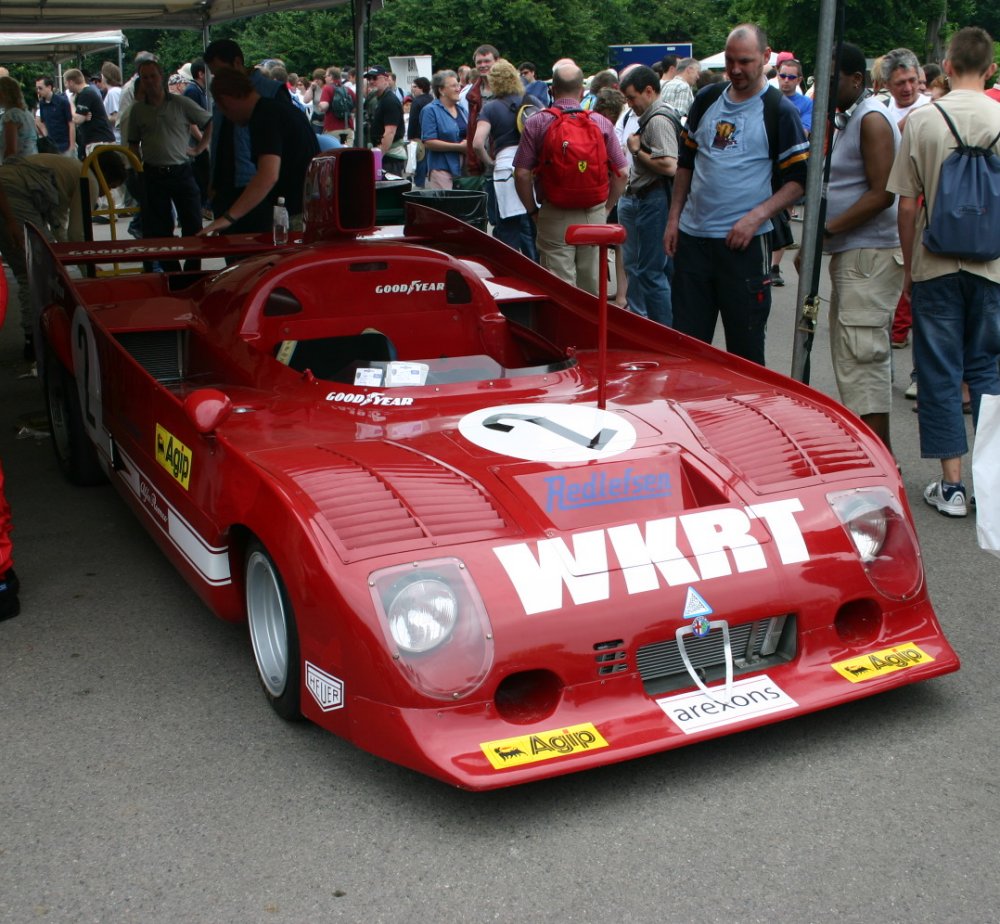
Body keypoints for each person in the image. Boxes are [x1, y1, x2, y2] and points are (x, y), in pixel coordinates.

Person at [887, 26, 1000, 517]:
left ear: (947, 67)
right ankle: (992, 485)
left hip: (935, 264)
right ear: (991, 69)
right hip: (992, 265)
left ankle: (952, 487)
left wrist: (910, 268)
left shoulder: (923, 120)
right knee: (989, 371)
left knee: (939, 371)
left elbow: (907, 206)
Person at [664, 23, 809, 365]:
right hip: (693, 242)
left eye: (745, 61)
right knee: (686, 349)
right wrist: (674, 219)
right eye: (730, 61)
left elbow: (799, 181)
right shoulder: (707, 99)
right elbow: (686, 163)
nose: (736, 69)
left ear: (766, 57)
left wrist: (756, 217)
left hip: (743, 247)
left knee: (744, 354)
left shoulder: (778, 110)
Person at [816, 42, 901, 451]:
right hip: (859, 255)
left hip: (869, 256)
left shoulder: (871, 119)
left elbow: (883, 193)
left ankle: (881, 463)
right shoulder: (854, 118)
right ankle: (877, 458)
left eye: (833, 77)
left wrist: (827, 231)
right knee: (857, 362)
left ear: (856, 79)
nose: (826, 86)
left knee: (863, 362)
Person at [513, 60, 627, 294]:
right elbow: (623, 173)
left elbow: (522, 173)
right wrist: (606, 209)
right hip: (593, 212)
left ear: (552, 90)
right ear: (582, 91)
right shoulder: (600, 123)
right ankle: (591, 330)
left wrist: (532, 211)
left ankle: (564, 330)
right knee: (591, 285)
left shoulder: (537, 122)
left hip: (553, 212)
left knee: (560, 288)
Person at [0, 151, 126, 357]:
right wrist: (90, 269)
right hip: (15, 194)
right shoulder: (89, 180)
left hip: (10, 188)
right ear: (106, 178)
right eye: (110, 187)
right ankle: (35, 338)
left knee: (32, 267)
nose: (106, 195)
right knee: (35, 270)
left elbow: (60, 225)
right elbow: (77, 232)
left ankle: (35, 335)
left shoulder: (70, 168)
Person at [199, 67, 318, 236]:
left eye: (223, 110)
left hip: (295, 216)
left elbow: (268, 175)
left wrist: (228, 217)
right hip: (304, 209)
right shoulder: (279, 109)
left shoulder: (264, 117)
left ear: (228, 100)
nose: (227, 117)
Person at [128, 60, 211, 270]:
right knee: (160, 229)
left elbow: (209, 121)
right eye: (144, 77)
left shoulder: (180, 103)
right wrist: (137, 166)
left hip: (181, 171)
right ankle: (172, 275)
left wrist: (199, 149)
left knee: (193, 225)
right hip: (153, 173)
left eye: (152, 76)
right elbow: (132, 142)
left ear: (161, 77)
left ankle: (191, 274)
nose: (149, 81)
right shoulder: (137, 111)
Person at [203, 39, 293, 234]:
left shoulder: (271, 96)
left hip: (258, 191)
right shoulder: (224, 94)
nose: (218, 78)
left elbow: (271, 170)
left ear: (237, 63)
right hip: (226, 188)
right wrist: (213, 181)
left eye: (220, 71)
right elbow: (219, 138)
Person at [619, 65, 678, 326]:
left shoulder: (658, 120)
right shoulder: (657, 117)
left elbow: (669, 165)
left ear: (649, 91)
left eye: (632, 98)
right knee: (654, 269)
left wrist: (636, 151)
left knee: (651, 271)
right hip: (651, 198)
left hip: (654, 198)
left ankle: (662, 331)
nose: (631, 105)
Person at [472, 58, 544, 258]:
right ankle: (537, 270)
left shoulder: (491, 108)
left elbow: (478, 142)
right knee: (532, 222)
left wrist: (489, 161)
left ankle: (510, 274)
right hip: (531, 165)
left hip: (505, 168)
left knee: (507, 227)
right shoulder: (532, 101)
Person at [420, 70, 467, 189]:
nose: (458, 89)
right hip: (441, 168)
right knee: (445, 206)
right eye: (453, 86)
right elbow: (428, 142)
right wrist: (459, 147)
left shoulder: (462, 110)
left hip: (465, 170)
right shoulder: (430, 111)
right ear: (441, 90)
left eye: (458, 85)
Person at [459, 44, 499, 179]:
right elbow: (471, 129)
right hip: (483, 160)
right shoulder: (473, 94)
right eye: (479, 62)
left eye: (487, 61)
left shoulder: (508, 91)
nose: (483, 65)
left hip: (503, 156)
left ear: (497, 62)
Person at [364, 65, 407, 175]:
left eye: (375, 78)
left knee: (388, 190)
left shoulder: (390, 101)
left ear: (386, 79)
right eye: (369, 78)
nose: (371, 81)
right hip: (382, 153)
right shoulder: (377, 97)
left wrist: (377, 159)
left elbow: (390, 132)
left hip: (390, 157)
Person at [63, 68, 115, 157]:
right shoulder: (83, 94)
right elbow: (80, 117)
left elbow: (78, 119)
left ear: (71, 82)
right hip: (96, 141)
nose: (65, 86)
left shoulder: (86, 94)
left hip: (99, 141)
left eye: (65, 83)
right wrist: (82, 115)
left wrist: (70, 102)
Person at [34, 76, 75, 156]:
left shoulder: (62, 102)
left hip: (65, 145)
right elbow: (43, 123)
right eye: (37, 88)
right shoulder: (42, 104)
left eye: (40, 88)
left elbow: (71, 124)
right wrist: (46, 138)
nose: (38, 91)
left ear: (49, 87)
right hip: (51, 147)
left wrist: (72, 146)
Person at [0, 78, 38, 161]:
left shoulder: (11, 115)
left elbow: (11, 150)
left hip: (18, 165)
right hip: (33, 160)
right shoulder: (26, 113)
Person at [407, 77, 434, 188]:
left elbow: (413, 120)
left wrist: (411, 136)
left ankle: (419, 184)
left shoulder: (417, 101)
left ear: (421, 88)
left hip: (418, 135)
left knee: (419, 160)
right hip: (431, 135)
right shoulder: (431, 99)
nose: (412, 89)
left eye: (415, 87)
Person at [318, 66, 355, 146]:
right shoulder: (347, 89)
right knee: (345, 153)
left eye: (326, 76)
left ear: (331, 77)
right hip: (347, 129)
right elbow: (356, 107)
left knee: (334, 154)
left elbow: (324, 106)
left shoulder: (327, 89)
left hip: (333, 130)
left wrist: (320, 106)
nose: (325, 78)